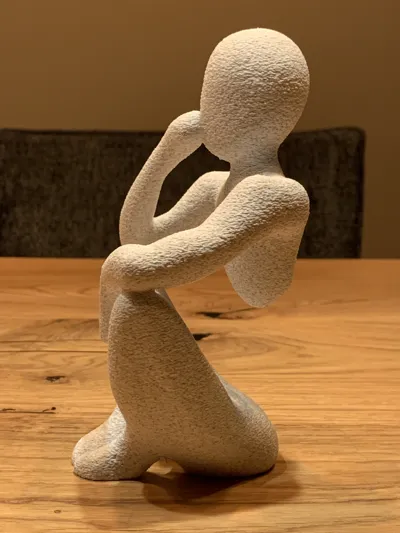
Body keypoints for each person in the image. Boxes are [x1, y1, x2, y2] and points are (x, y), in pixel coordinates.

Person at [73, 28, 310, 481]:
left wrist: (115, 276)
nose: (204, 111)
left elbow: (158, 262)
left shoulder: (276, 195)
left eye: (214, 98)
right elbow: (139, 236)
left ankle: (145, 435)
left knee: (136, 304)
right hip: (237, 428)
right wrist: (166, 153)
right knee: (134, 289)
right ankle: (140, 417)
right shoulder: (218, 186)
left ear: (249, 111)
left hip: (241, 446)